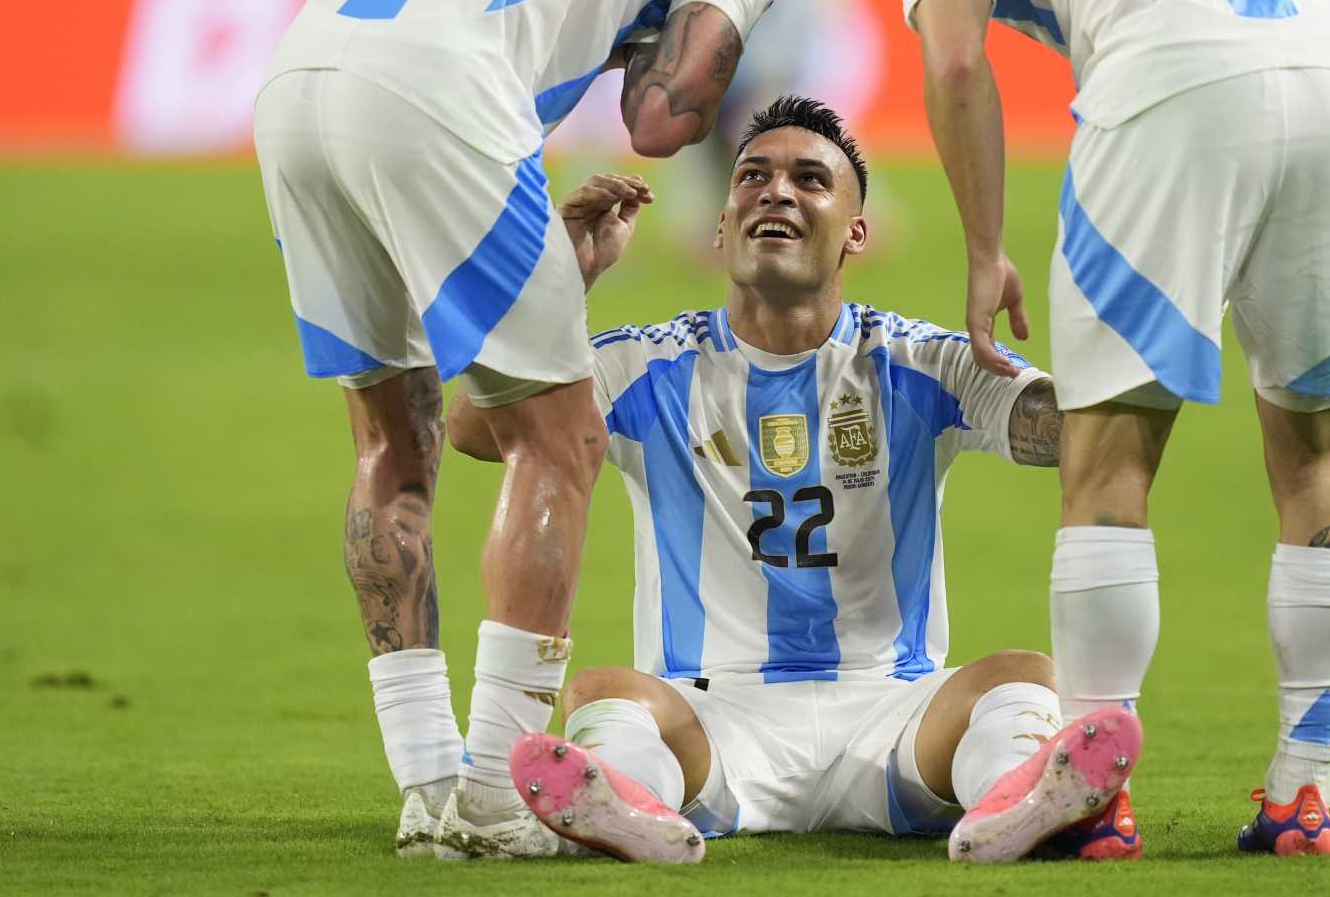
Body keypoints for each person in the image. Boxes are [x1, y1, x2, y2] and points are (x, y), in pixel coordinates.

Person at [252, 0, 814, 859]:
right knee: (559, 438)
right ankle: (498, 791)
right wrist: (691, 41)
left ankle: (428, 786)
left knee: (391, 438)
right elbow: (660, 114)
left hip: (296, 80)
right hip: (443, 91)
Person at [887, 0, 1330, 859]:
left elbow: (957, 63)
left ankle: (1094, 789)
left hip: (1171, 86)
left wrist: (981, 249)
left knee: (1106, 454)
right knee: (1317, 455)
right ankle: (1304, 790)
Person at [448, 97, 1143, 864]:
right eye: (752, 176)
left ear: (856, 233)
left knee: (1021, 676)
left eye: (810, 179)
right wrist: (558, 290)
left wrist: (1116, 311)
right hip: (710, 715)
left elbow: (1074, 432)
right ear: (719, 228)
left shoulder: (917, 360)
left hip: (896, 712)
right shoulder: (643, 366)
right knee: (605, 693)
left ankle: (1012, 803)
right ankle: (633, 811)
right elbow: (476, 431)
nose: (776, 191)